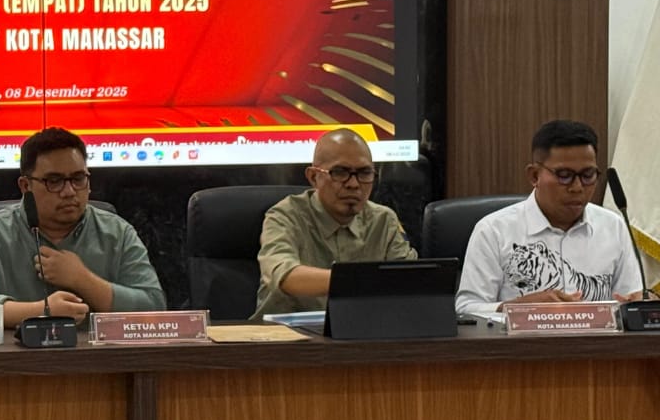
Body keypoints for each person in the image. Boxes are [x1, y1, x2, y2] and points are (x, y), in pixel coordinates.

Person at [0, 127, 165, 328]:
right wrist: (42, 311)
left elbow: (155, 308)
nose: (69, 191)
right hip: (18, 358)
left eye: (78, 178)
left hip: (98, 358)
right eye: (54, 181)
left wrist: (83, 280)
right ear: (26, 186)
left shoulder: (117, 233)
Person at [456, 120, 641, 317]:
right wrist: (519, 307)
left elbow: (630, 299)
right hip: (521, 338)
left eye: (588, 175)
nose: (577, 187)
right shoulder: (493, 230)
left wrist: (640, 304)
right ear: (534, 175)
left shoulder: (613, 226)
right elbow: (466, 309)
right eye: (564, 175)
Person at [253, 128, 416, 319]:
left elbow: (410, 281)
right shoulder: (285, 216)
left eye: (364, 173)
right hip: (284, 334)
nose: (353, 184)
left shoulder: (384, 220)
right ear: (314, 177)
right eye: (340, 172)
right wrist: (360, 280)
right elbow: (285, 276)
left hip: (362, 331)